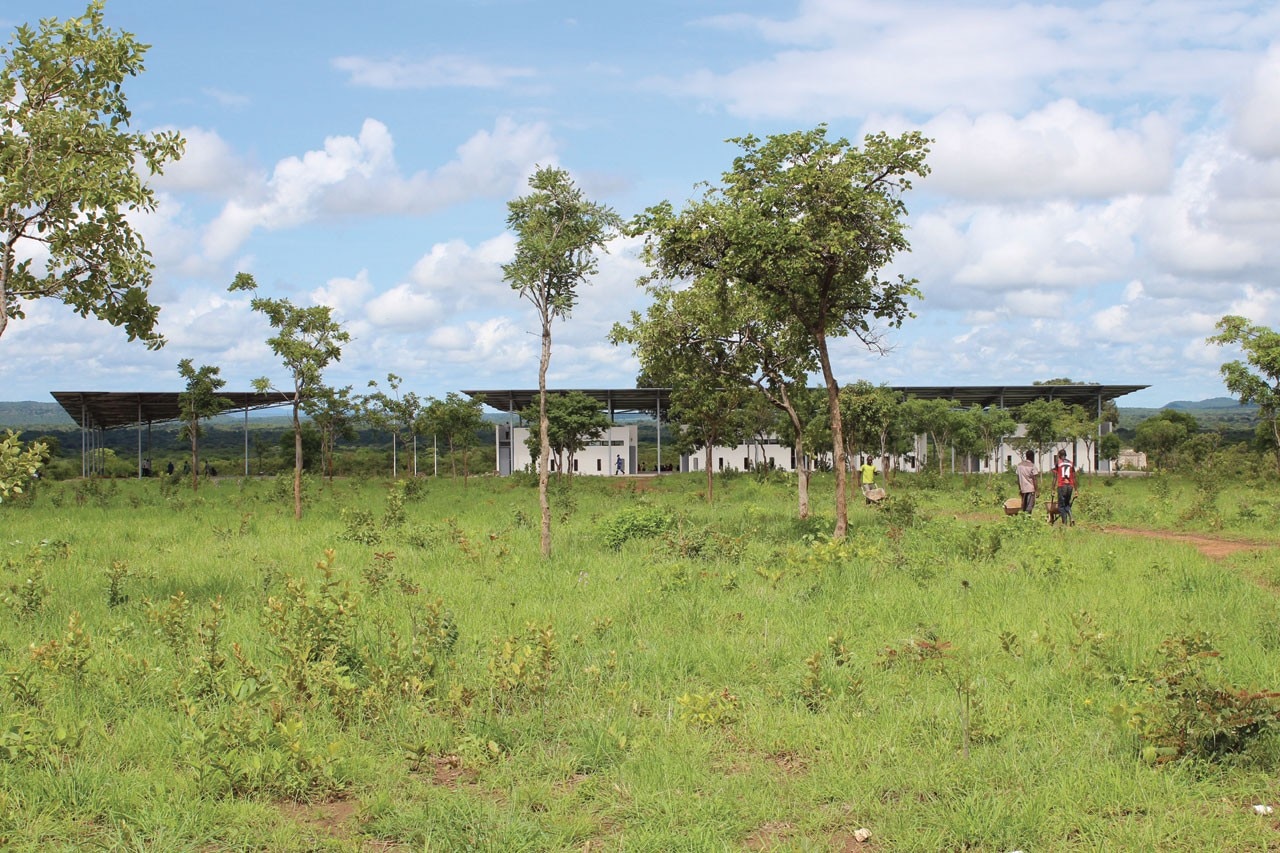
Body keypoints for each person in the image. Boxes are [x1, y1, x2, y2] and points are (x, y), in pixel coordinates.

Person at [1053, 449, 1077, 526]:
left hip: (1062, 485)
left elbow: (1055, 477)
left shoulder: (1058, 463)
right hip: (1070, 485)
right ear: (1065, 455)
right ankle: (1071, 517)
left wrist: (1053, 489)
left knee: (1061, 506)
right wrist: (1076, 490)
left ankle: (1064, 523)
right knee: (1067, 504)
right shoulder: (1071, 463)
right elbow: (1074, 477)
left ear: (1059, 456)